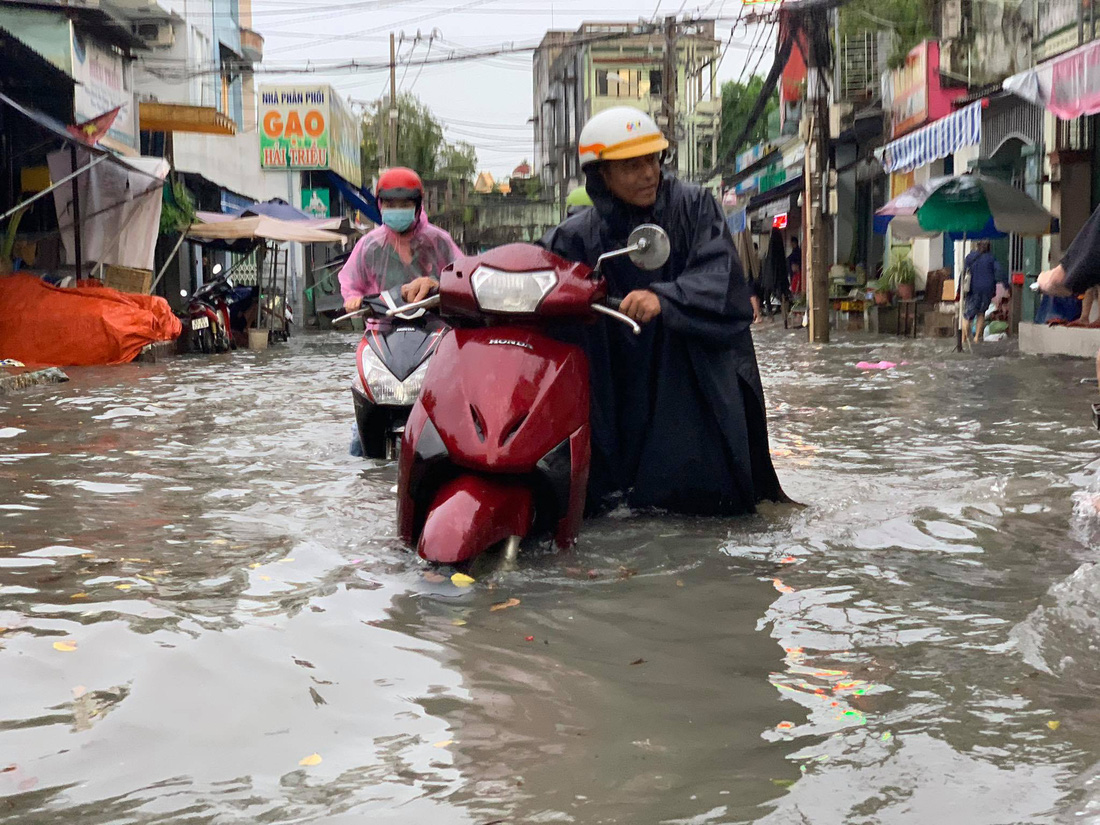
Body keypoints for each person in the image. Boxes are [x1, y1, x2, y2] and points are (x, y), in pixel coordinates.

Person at [538, 106, 786, 515]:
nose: (649, 174)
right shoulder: (576, 236)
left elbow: (722, 276)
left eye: (653, 160)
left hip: (684, 381)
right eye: (632, 166)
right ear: (601, 175)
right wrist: (448, 281)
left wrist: (666, 298)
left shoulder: (694, 207)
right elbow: (528, 272)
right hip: (615, 384)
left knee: (697, 507)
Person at [338, 167, 459, 313]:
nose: (397, 209)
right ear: (380, 205)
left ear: (417, 206)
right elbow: (351, 284)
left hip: (434, 324)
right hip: (384, 325)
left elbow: (462, 279)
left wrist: (436, 285)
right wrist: (353, 300)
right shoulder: (370, 245)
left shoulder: (438, 241)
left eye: (405, 205)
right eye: (390, 205)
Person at [962, 240, 1008, 344]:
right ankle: (977, 338)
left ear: (977, 246)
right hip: (988, 289)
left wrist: (959, 290)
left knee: (968, 315)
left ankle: (964, 339)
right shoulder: (991, 258)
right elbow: (1000, 271)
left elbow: (963, 273)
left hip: (974, 289)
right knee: (981, 313)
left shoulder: (970, 257)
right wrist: (1006, 285)